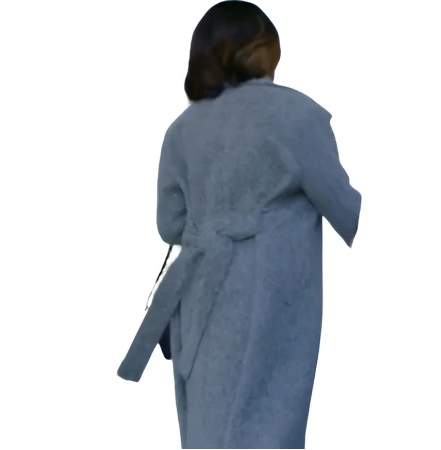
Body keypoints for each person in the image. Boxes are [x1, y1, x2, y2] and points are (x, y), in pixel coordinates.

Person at [117, 1, 362, 449]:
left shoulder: (181, 130)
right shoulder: (298, 115)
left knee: (208, 428)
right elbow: (346, 210)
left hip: (199, 299)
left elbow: (170, 224)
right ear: (265, 51)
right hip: (271, 293)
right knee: (268, 421)